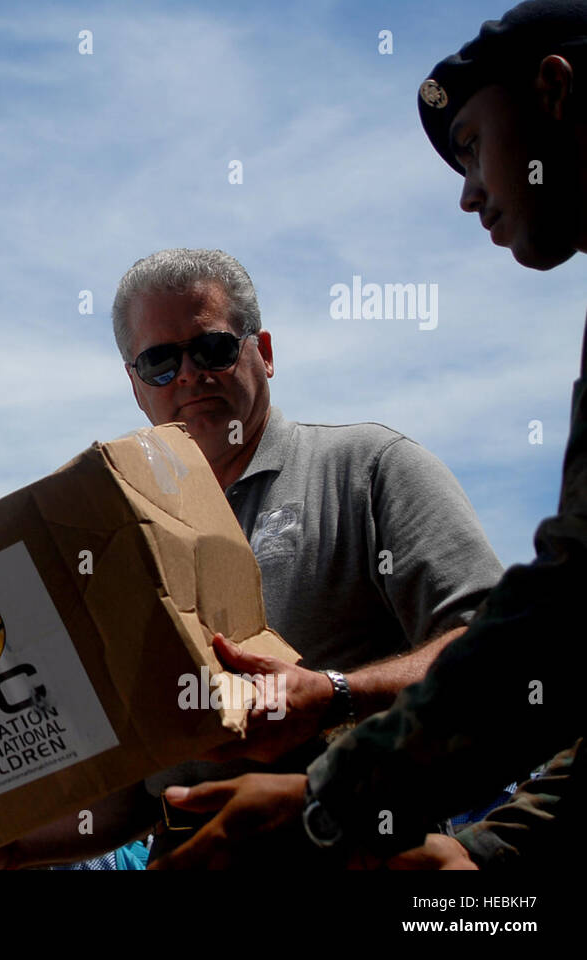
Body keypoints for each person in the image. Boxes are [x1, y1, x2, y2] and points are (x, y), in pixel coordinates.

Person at [154, 0, 587, 869]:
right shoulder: (142, 535)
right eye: (159, 363)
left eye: (469, 144)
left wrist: (329, 788)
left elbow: (550, 629)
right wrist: (490, 857)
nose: (466, 193)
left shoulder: (366, 469)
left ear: (554, 92)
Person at [0, 249, 504, 868]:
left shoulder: (369, 469)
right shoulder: (120, 540)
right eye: (160, 361)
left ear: (265, 353)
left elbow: (499, 647)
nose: (190, 375)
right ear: (136, 384)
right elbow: (134, 797)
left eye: (213, 348)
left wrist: (338, 695)